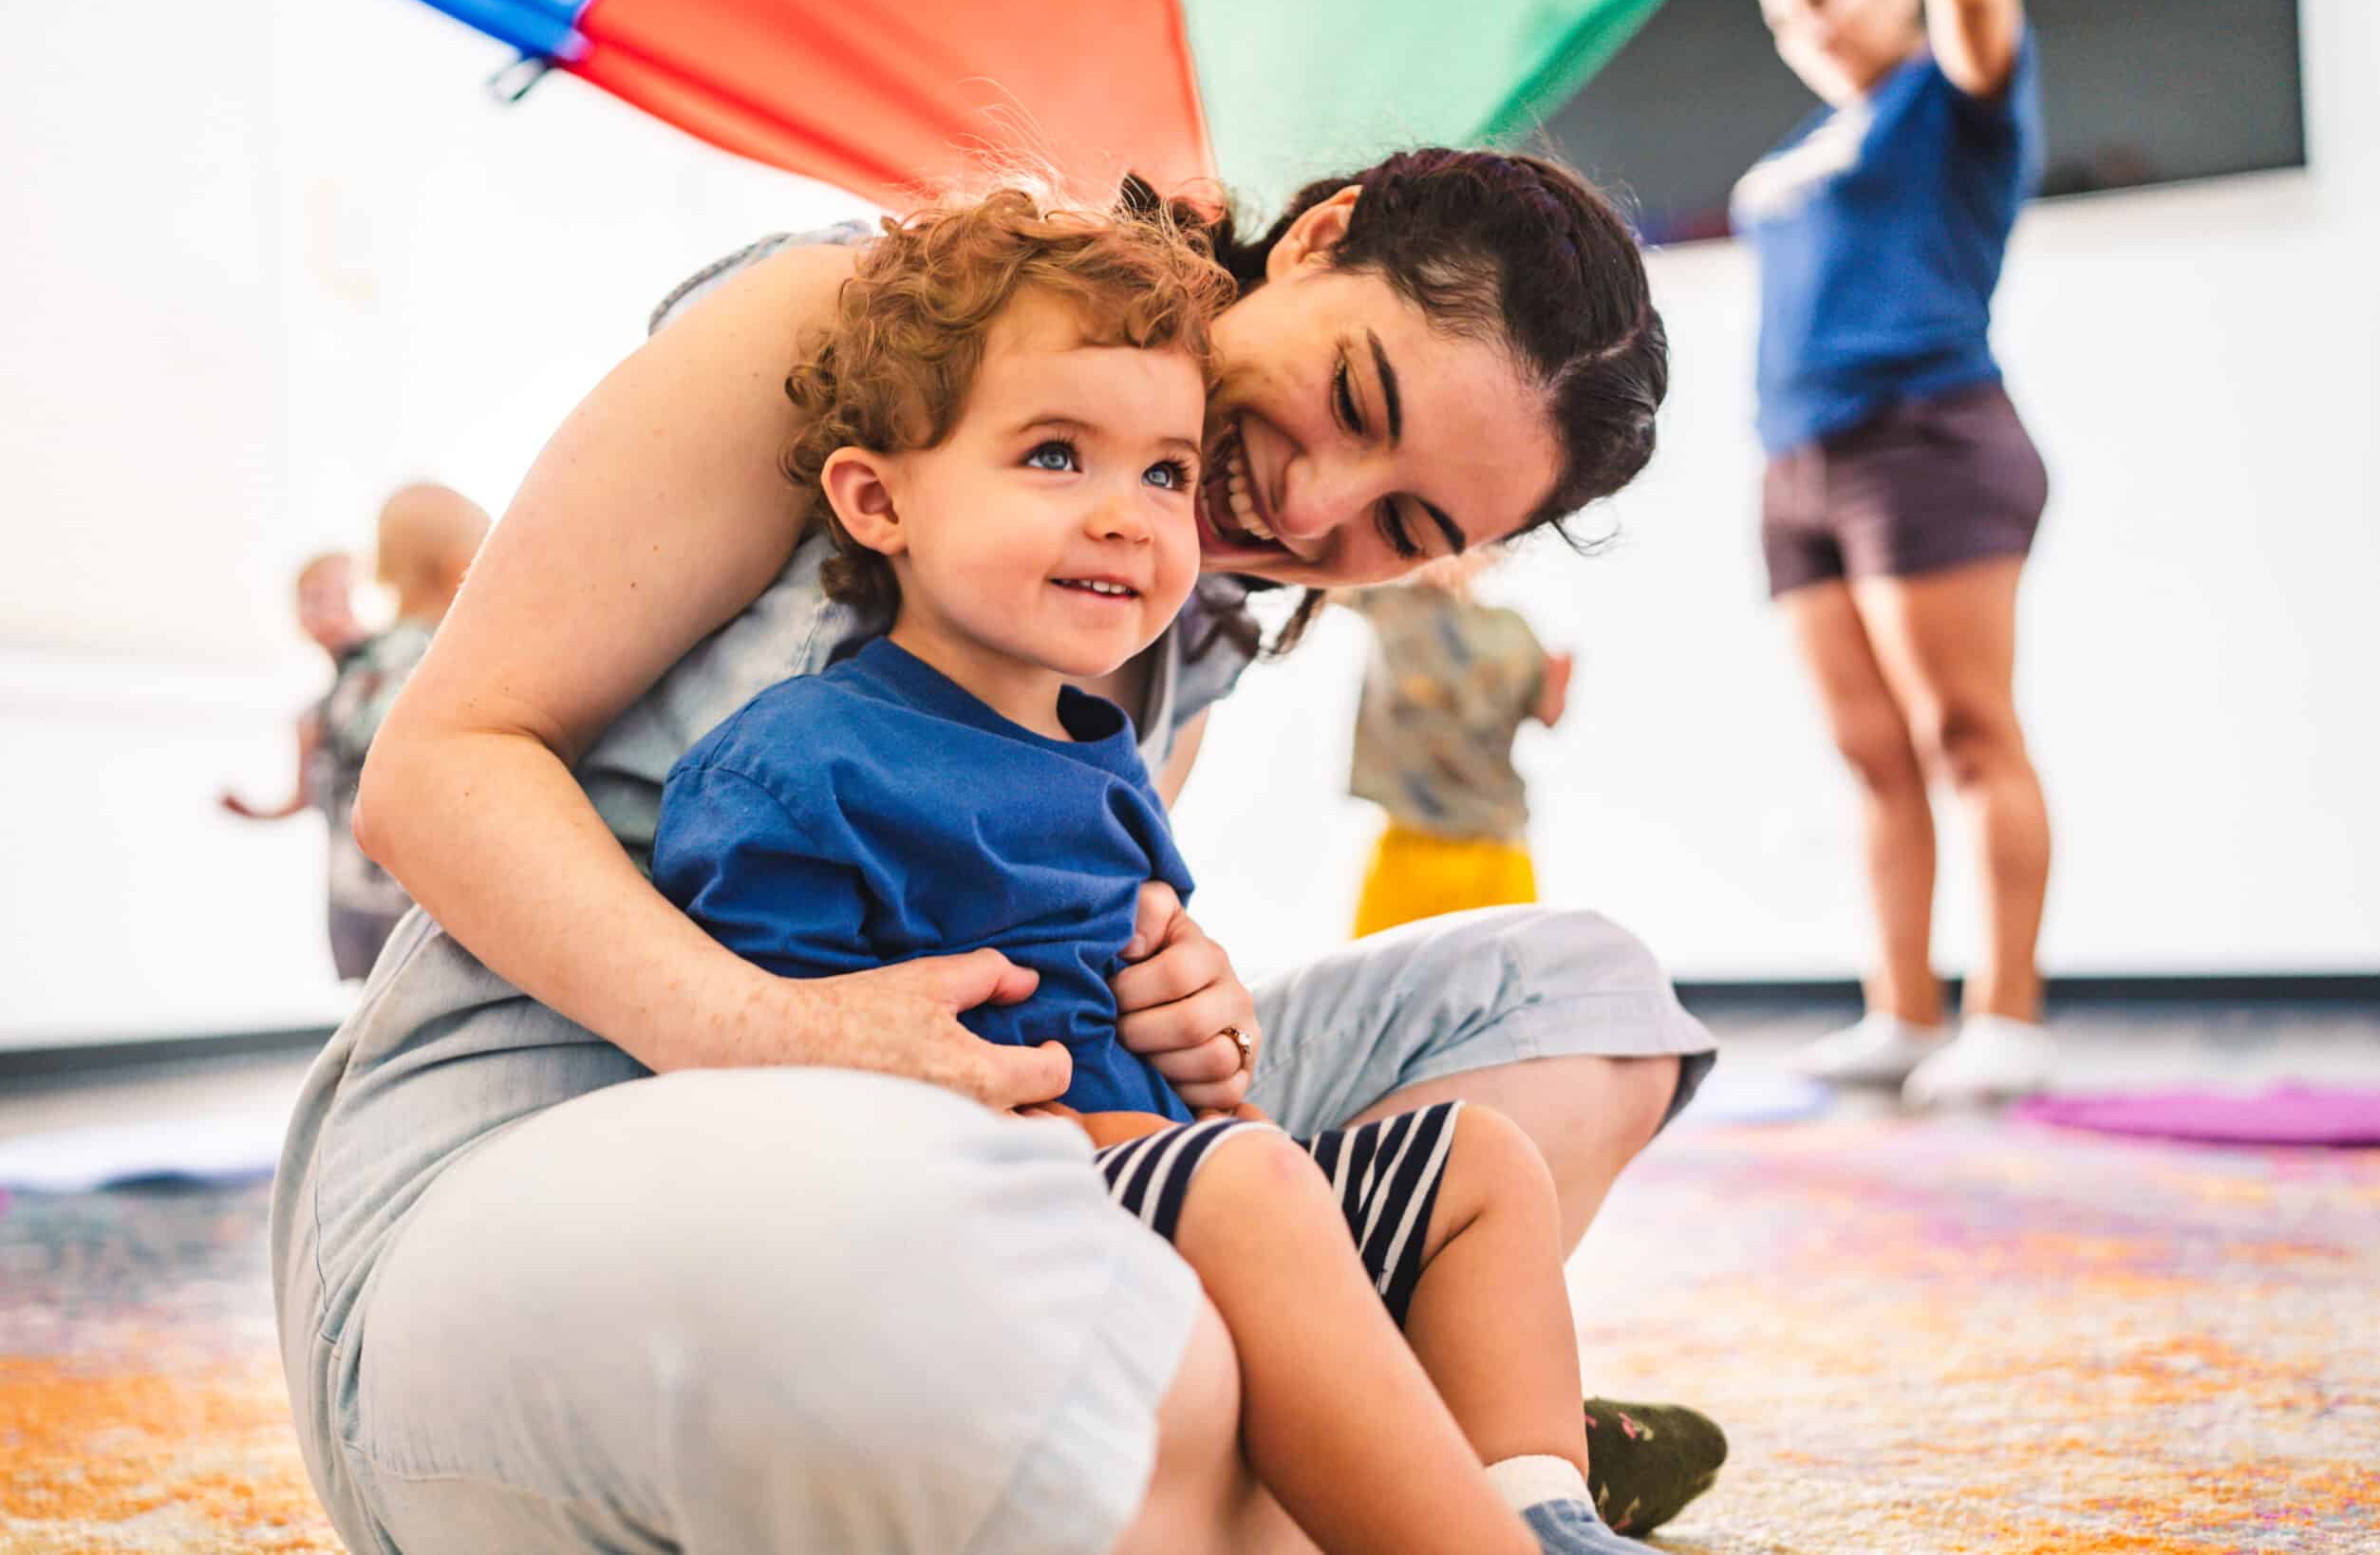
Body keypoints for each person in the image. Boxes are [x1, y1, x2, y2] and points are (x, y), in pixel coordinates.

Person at [272, 147, 1719, 1555]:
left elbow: (1047, 971)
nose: (1313, 506)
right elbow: (431, 770)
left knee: (1584, 1004)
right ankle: (1393, 1458)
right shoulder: (849, 329)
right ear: (1324, 235)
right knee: (1117, 1338)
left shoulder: (1173, 621)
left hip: (981, 1137)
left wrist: (1186, 1003)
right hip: (549, 1186)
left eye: (1403, 523)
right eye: (1350, 394)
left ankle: (1372, 1456)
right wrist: (776, 1028)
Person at [653, 190, 1659, 1554]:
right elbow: (776, 1069)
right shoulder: (800, 759)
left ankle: (1536, 1494)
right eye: (1060, 458)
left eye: (1164, 478)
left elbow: (1140, 956)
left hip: (1152, 1154)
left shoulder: (1109, 739)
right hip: (999, 1168)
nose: (1307, 506)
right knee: (1250, 1184)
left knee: (1479, 1161)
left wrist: (1204, 1009)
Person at [1733, 0, 2056, 1106]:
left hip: (1926, 441)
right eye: (1778, 21)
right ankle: (1903, 1012)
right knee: (1870, 757)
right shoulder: (1801, 152)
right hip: (1798, 462)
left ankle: (2008, 1017)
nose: (1804, 28)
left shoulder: (1948, 99)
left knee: (1966, 734)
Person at [221, 485, 487, 977]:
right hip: (414, 902)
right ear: (462, 570)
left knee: (372, 1014)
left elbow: (331, 775)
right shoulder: (445, 663)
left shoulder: (357, 670)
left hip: (354, 895)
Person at [1340, 549, 1573, 938]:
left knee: (1505, 976)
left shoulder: (1510, 630)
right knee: (1376, 974)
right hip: (1409, 833)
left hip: (1494, 840)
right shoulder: (1393, 603)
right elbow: (1324, 584)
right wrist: (1402, 564)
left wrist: (1559, 686)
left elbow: (1546, 714)